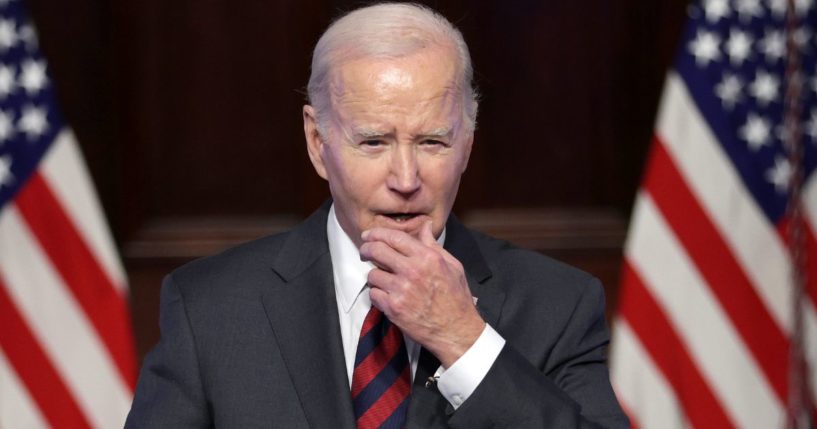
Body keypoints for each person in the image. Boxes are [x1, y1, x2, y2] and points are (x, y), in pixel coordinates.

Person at [126, 3, 629, 428]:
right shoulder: (211, 308)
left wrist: (464, 341)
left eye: (433, 141)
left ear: (467, 146)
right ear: (318, 143)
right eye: (373, 142)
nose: (406, 179)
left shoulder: (558, 304)